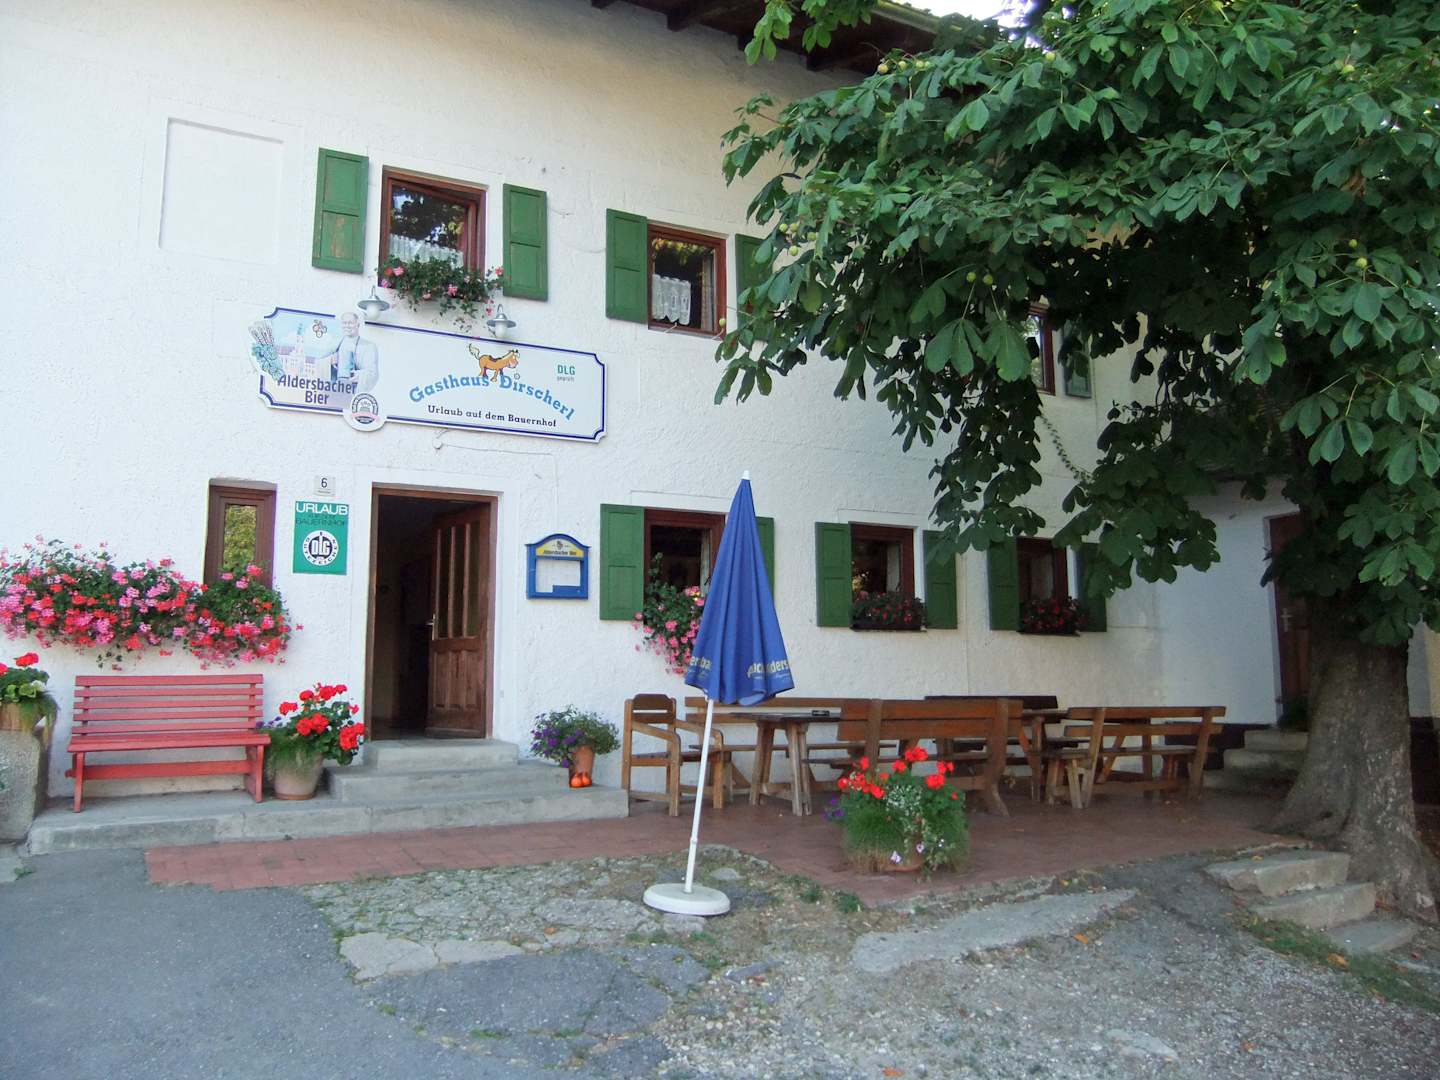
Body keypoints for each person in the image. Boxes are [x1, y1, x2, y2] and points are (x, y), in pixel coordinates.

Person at [326, 312, 380, 392]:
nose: (347, 326)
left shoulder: (368, 346)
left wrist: (360, 376)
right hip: (335, 389)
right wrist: (329, 361)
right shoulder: (334, 344)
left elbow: (373, 373)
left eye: (350, 323)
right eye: (344, 323)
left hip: (354, 391)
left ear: (358, 324)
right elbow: (317, 362)